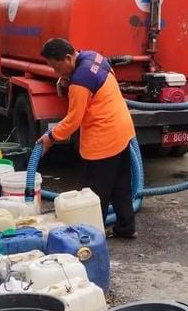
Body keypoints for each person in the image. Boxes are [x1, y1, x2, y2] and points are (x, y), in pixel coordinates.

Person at [36, 38, 137, 238]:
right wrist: (67, 77)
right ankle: (126, 228)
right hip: (122, 131)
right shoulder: (94, 57)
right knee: (121, 186)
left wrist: (51, 136)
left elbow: (73, 120)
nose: (57, 74)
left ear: (67, 58)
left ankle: (92, 237)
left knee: (96, 195)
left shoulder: (80, 82)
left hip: (103, 139)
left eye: (57, 68)